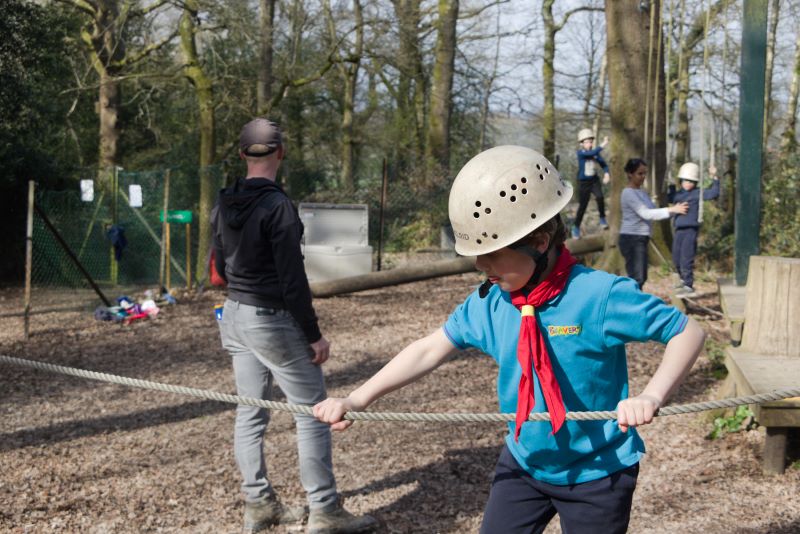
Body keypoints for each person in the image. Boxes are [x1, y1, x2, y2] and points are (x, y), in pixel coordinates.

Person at [313, 146, 706, 534]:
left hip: (597, 473)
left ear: (538, 241)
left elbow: (687, 331)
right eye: (476, 255)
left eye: (493, 255)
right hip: (524, 464)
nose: (481, 267)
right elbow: (428, 349)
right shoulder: (490, 302)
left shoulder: (598, 295)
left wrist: (651, 396)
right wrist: (358, 398)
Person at [211, 118, 378, 534]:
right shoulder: (278, 207)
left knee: (250, 413)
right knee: (311, 413)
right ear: (281, 154)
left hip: (233, 313)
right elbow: (292, 280)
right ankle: (324, 511)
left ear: (242, 155)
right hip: (269, 318)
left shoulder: (222, 202)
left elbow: (216, 270)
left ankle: (258, 505)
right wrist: (313, 334)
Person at [618, 158, 688, 289]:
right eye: (640, 173)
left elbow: (653, 211)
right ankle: (630, 304)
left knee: (640, 276)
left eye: (645, 173)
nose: (643, 177)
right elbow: (646, 213)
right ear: (630, 174)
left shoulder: (642, 193)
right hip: (631, 238)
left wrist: (675, 210)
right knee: (637, 277)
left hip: (641, 238)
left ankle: (633, 302)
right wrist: (672, 209)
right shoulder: (628, 193)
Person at [668, 162, 721, 297]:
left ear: (696, 182)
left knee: (686, 257)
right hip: (679, 229)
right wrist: (671, 185)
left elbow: (713, 193)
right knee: (676, 257)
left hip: (690, 230)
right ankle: (681, 279)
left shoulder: (698, 193)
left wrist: (714, 177)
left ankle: (688, 284)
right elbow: (670, 197)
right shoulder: (678, 195)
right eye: (686, 180)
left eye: (692, 181)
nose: (688, 183)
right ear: (681, 181)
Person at [572, 128, 611, 239]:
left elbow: (604, 164)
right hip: (583, 183)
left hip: (594, 181)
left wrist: (607, 173)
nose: (589, 144)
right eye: (587, 142)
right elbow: (593, 152)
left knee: (600, 197)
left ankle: (602, 218)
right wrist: (603, 144)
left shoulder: (595, 154)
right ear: (581, 143)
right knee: (583, 206)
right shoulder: (581, 153)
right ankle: (576, 227)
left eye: (590, 141)